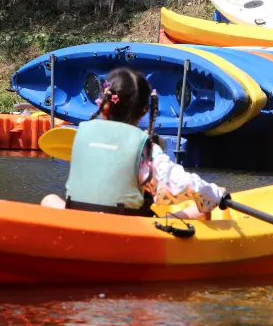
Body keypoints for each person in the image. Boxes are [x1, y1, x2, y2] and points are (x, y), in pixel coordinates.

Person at [41, 68, 227, 220]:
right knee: (201, 211)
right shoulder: (144, 147)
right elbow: (178, 185)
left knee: (49, 200)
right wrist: (213, 193)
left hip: (79, 221)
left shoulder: (81, 133)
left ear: (104, 103)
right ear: (144, 110)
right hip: (124, 229)